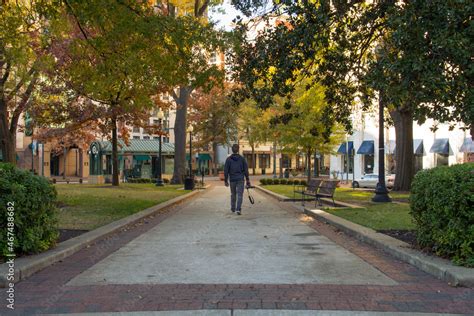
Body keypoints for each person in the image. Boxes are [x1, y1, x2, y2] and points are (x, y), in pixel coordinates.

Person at [224, 144, 251, 215]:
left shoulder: (228, 159)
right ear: (238, 149)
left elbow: (226, 170)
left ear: (232, 150)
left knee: (233, 194)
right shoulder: (242, 159)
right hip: (240, 179)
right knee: (240, 195)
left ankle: (233, 208)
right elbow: (246, 170)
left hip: (232, 179)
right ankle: (238, 209)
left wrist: (226, 180)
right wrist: (247, 179)